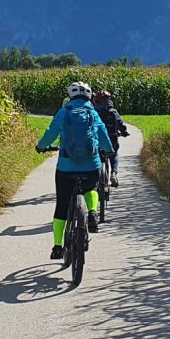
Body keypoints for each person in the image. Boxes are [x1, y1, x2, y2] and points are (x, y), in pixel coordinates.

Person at [34, 80, 114, 260]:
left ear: (70, 95)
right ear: (89, 96)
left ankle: (57, 247)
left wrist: (41, 146)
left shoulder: (63, 112)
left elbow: (51, 132)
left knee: (62, 204)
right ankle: (92, 212)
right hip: (91, 166)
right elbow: (103, 135)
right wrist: (109, 150)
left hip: (66, 167)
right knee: (91, 189)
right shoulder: (93, 113)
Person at [92, 89, 130, 187]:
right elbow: (120, 124)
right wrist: (124, 132)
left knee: (96, 156)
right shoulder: (113, 111)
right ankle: (114, 173)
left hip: (96, 139)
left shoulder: (93, 111)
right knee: (114, 154)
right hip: (112, 138)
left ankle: (95, 177)